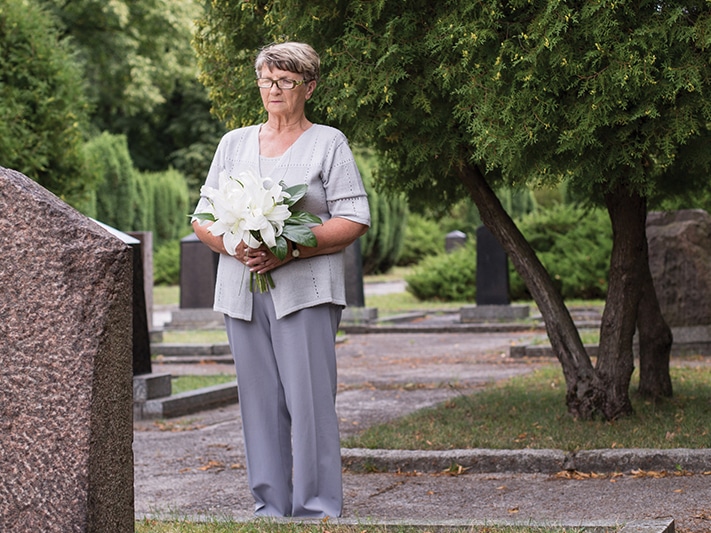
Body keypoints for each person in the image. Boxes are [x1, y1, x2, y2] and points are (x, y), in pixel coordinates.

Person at [192, 42, 370, 518]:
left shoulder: (328, 143)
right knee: (259, 403)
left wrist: (287, 248)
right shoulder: (232, 143)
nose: (274, 89)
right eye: (267, 80)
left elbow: (353, 218)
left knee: (310, 403)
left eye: (286, 81)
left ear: (308, 87)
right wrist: (235, 245)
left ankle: (315, 507)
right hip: (240, 291)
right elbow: (202, 216)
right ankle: (270, 507)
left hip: (305, 293)